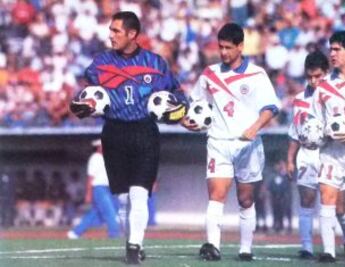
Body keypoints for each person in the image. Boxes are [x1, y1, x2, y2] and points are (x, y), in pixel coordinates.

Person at [70, 11, 187, 264]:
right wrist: (83, 104)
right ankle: (133, 242)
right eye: (110, 30)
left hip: (145, 132)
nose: (110, 35)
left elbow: (177, 93)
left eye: (116, 31)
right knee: (123, 199)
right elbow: (87, 95)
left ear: (132, 34)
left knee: (139, 194)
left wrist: (179, 109)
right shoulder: (99, 64)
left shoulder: (156, 63)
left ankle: (134, 247)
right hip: (113, 133)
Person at [182, 22, 280, 261]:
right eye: (220, 47)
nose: (223, 52)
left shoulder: (257, 74)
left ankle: (245, 249)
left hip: (248, 145)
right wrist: (187, 121)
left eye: (228, 47)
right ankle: (212, 246)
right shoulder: (209, 74)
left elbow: (271, 108)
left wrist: (254, 128)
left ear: (240, 46)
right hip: (218, 142)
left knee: (245, 198)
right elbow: (194, 106)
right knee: (216, 194)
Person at [287, 50, 345, 260]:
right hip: (308, 154)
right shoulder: (299, 99)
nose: (314, 80)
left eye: (318, 76)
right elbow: (294, 131)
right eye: (310, 77)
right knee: (307, 199)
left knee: (340, 205)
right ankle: (307, 247)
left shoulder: (334, 92)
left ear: (326, 73)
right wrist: (290, 158)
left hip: (335, 152)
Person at [310, 30, 345, 262]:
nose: (331, 53)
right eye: (330, 49)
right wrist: (312, 133)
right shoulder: (323, 86)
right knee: (327, 197)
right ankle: (329, 252)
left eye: (337, 49)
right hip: (331, 153)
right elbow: (315, 119)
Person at [67, 139, 120, 239]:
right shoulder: (95, 158)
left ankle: (75, 233)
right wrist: (88, 193)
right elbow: (90, 178)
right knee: (110, 212)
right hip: (99, 188)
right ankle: (114, 235)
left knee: (95, 214)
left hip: (108, 188)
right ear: (99, 147)